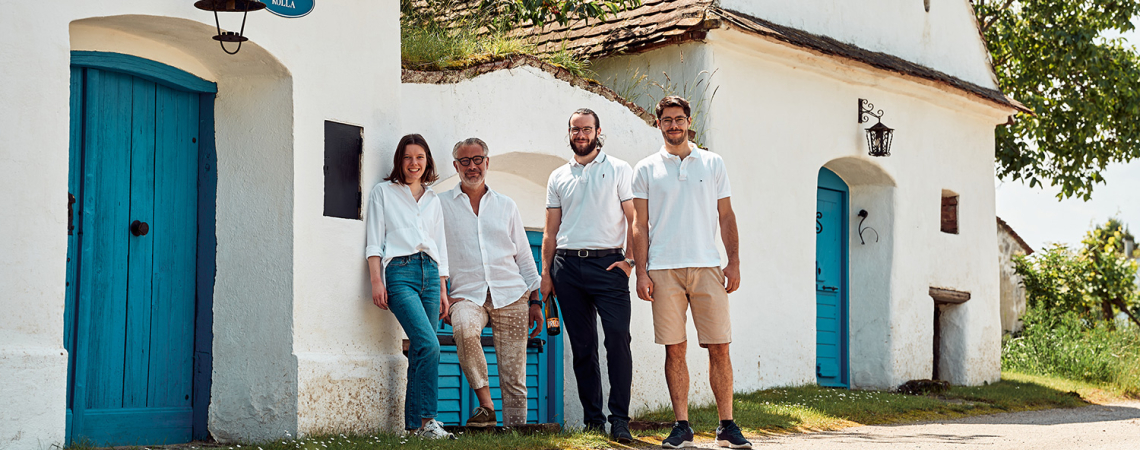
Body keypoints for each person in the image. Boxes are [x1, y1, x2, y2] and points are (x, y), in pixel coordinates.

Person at [631, 96, 750, 449]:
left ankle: (726, 425)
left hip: (708, 266)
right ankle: (682, 426)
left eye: (679, 119)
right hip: (663, 270)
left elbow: (726, 216)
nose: (674, 125)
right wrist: (641, 272)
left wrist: (734, 262)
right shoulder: (645, 168)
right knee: (675, 349)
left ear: (688, 121)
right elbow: (639, 224)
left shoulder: (712, 163)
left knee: (720, 346)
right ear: (658, 124)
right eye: (667, 120)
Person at [542, 108, 636, 443]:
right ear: (569, 133)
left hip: (609, 266)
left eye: (586, 129)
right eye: (575, 129)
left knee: (618, 342)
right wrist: (546, 274)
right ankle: (593, 422)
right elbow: (550, 231)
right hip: (567, 268)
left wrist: (631, 260)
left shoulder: (619, 169)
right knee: (583, 348)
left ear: (598, 132)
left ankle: (620, 420)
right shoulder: (558, 176)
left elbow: (635, 219)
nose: (580, 135)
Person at [439, 137, 543, 428]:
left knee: (514, 375)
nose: (472, 167)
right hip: (466, 295)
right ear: (456, 166)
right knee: (463, 327)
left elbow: (524, 256)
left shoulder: (506, 205)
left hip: (511, 294)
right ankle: (486, 406)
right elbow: (434, 252)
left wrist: (535, 301)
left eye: (477, 160)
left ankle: (515, 432)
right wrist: (442, 294)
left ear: (487, 162)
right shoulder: (440, 204)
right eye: (464, 161)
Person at [365, 134, 455, 440]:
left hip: (430, 273)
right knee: (430, 344)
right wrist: (377, 280)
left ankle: (417, 428)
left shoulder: (433, 199)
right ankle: (428, 419)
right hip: (399, 273)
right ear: (399, 161)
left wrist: (443, 288)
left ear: (427, 160)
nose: (414, 163)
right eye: (407, 157)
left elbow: (439, 246)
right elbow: (375, 241)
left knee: (421, 348)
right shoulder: (384, 192)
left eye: (419, 157)